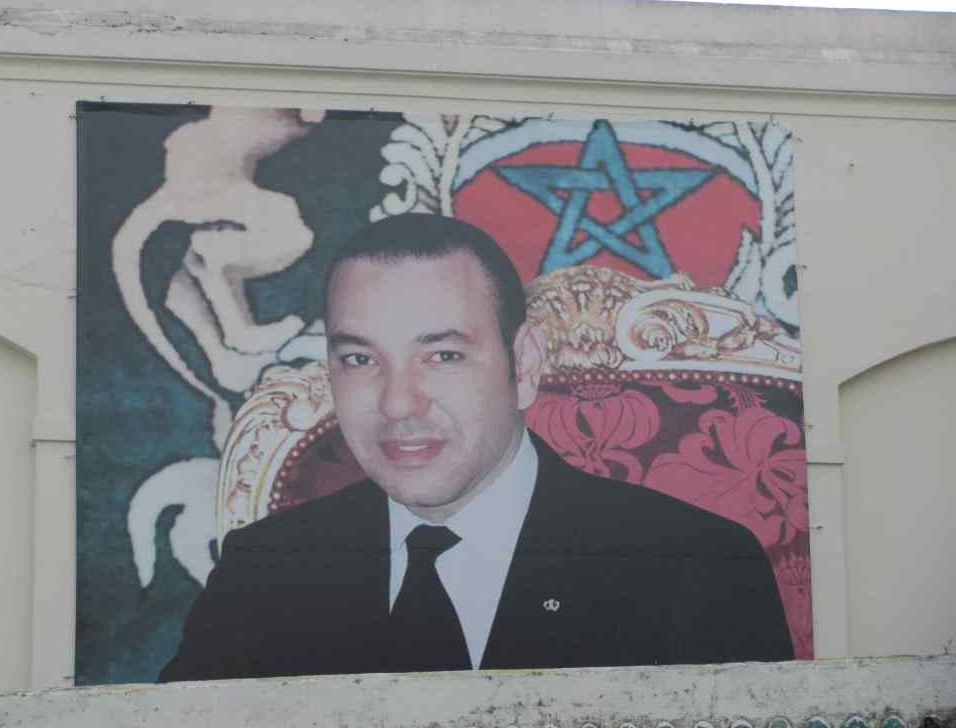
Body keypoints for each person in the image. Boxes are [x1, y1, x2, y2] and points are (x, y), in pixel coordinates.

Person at [158, 215, 793, 682]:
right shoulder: (263, 572)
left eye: (442, 356)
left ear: (525, 366)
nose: (398, 404)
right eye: (359, 359)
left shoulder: (695, 569)